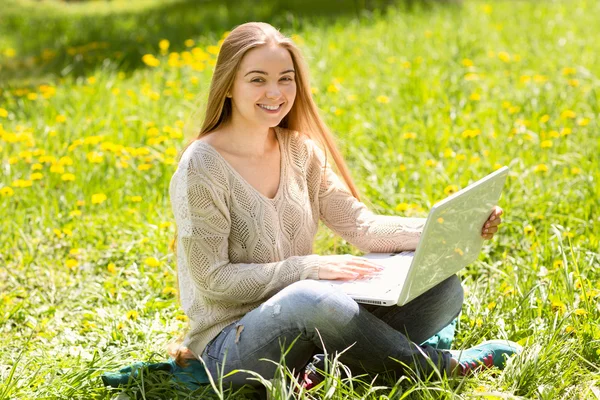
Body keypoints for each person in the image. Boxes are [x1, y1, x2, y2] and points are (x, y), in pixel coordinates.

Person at [167, 21, 521, 391]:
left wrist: (446, 227)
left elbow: (360, 226)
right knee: (310, 296)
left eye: (285, 79)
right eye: (257, 79)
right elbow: (213, 280)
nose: (275, 92)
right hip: (231, 347)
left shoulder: (299, 150)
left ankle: (324, 367)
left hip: (307, 321)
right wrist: (308, 268)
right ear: (227, 86)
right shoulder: (202, 166)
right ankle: (438, 367)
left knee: (442, 289)